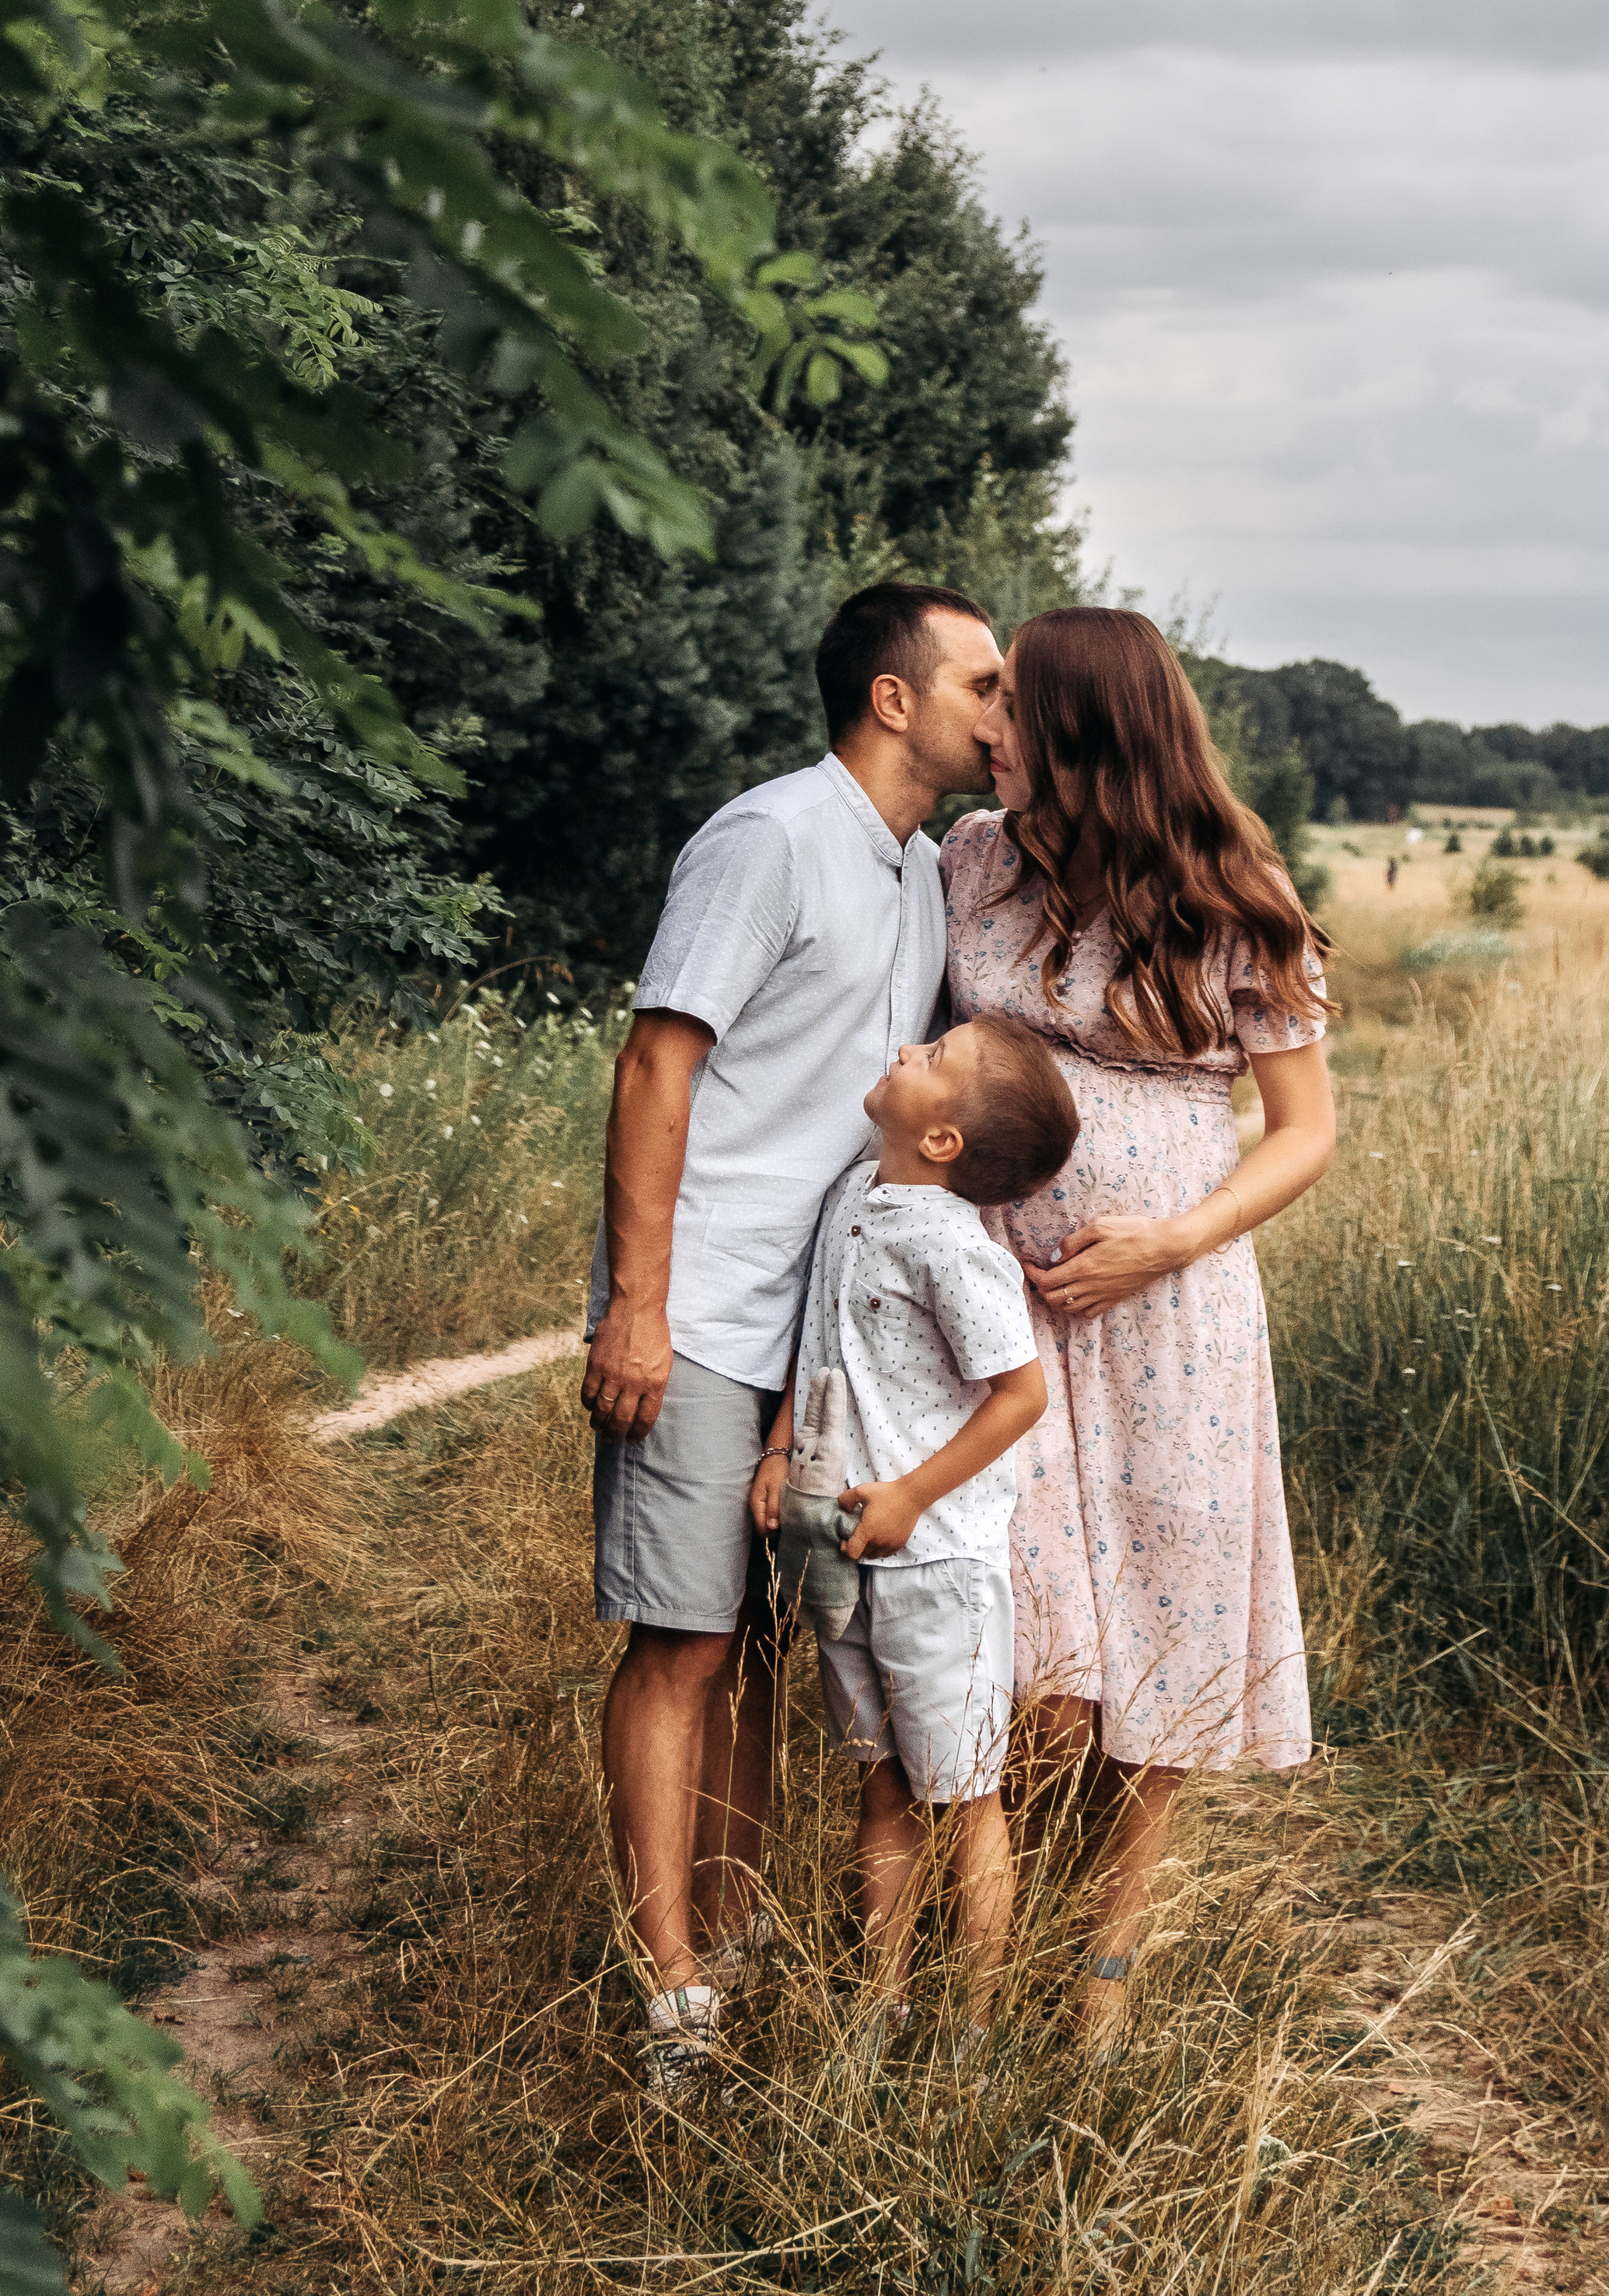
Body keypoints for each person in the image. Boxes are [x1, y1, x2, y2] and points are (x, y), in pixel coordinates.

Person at [582, 580, 1005, 2103]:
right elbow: (655, 1059)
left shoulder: (914, 874)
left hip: (826, 1339)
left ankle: (740, 1936)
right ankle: (670, 1991)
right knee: (682, 1639)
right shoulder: (768, 836)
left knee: (765, 1644)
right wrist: (638, 1301)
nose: (999, 709)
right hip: (697, 1306)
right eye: (982, 682)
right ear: (893, 700)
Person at [941, 607, 1334, 2053]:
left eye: (1013, 708)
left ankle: (1102, 1972)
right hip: (997, 1302)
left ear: (1084, 731)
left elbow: (1303, 1136)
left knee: (1164, 1627)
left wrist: (1170, 1240)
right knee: (1033, 1650)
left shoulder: (1233, 891)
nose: (989, 730)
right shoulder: (977, 863)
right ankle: (1000, 1926)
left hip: (1176, 1319)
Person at [751, 1016, 1076, 2054]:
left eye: (935, 1058)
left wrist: (911, 1494)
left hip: (935, 1563)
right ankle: (876, 2009)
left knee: (966, 1797)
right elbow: (819, 1346)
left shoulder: (952, 1247)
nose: (907, 1050)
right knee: (880, 1782)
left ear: (943, 1143)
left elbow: (1019, 1396)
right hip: (837, 1548)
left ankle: (971, 2031)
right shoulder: (854, 1196)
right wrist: (778, 1451)